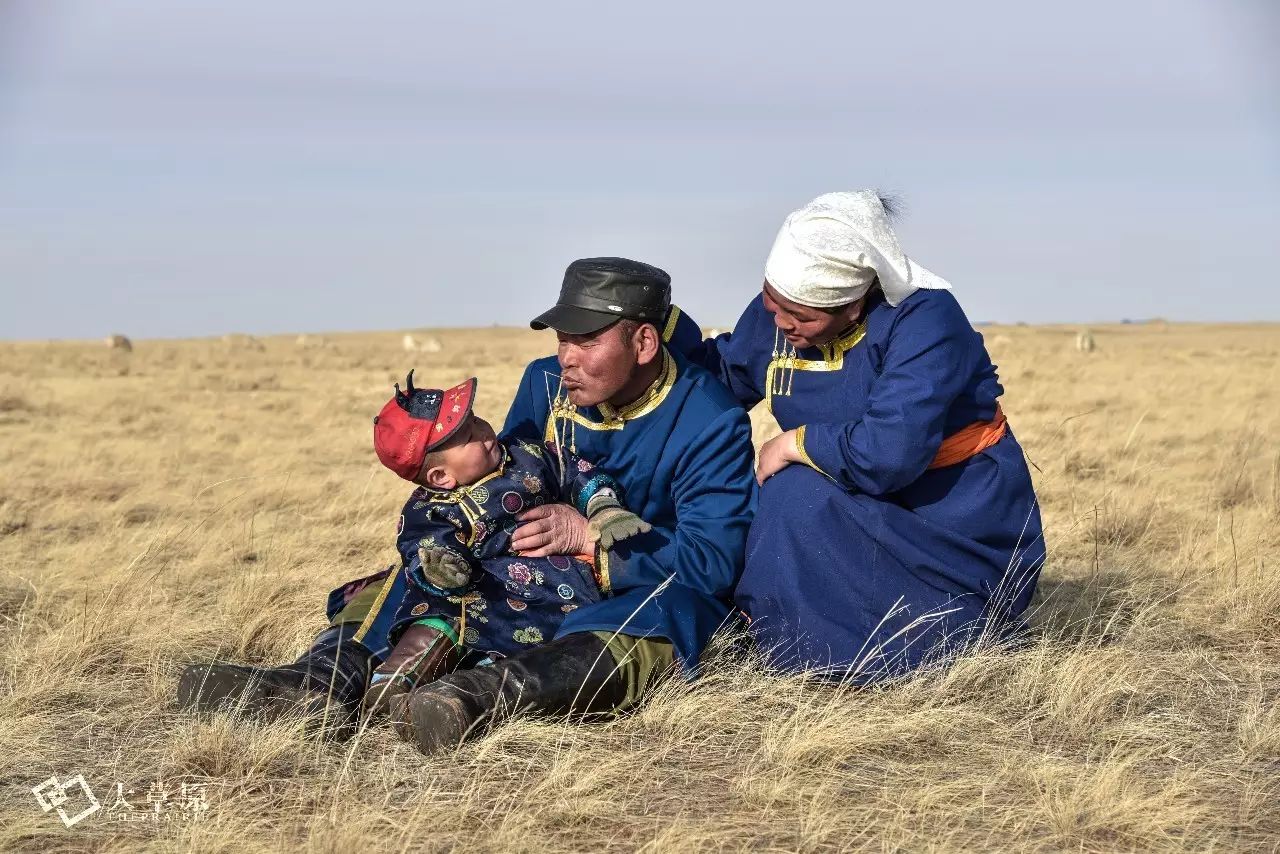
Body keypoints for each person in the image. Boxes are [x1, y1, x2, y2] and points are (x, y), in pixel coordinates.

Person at [177, 258, 756, 748]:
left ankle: (474, 698)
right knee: (423, 573)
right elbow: (500, 484)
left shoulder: (709, 421)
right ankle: (315, 684)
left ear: (644, 341)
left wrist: (587, 540)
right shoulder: (544, 383)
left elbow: (711, 563)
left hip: (634, 585)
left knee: (662, 621)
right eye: (561, 339)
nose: (566, 358)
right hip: (525, 568)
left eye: (586, 340)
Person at [678, 190, 1045, 678]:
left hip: (949, 523)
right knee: (739, 500)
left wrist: (794, 443)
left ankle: (831, 652)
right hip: (847, 502)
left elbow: (889, 452)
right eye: (772, 305)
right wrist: (654, 343)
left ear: (853, 306)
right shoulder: (777, 316)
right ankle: (783, 628)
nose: (783, 324)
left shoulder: (927, 320)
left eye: (804, 316)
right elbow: (723, 377)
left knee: (791, 495)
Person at [353, 371, 650, 717]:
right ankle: (398, 680)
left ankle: (464, 694)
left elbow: (575, 472)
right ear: (440, 477)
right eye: (467, 436)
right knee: (440, 609)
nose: (483, 430)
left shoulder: (530, 456)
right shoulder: (427, 511)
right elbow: (423, 549)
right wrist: (442, 568)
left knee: (510, 649)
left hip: (552, 587)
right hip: (477, 591)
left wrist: (603, 506)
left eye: (475, 419)